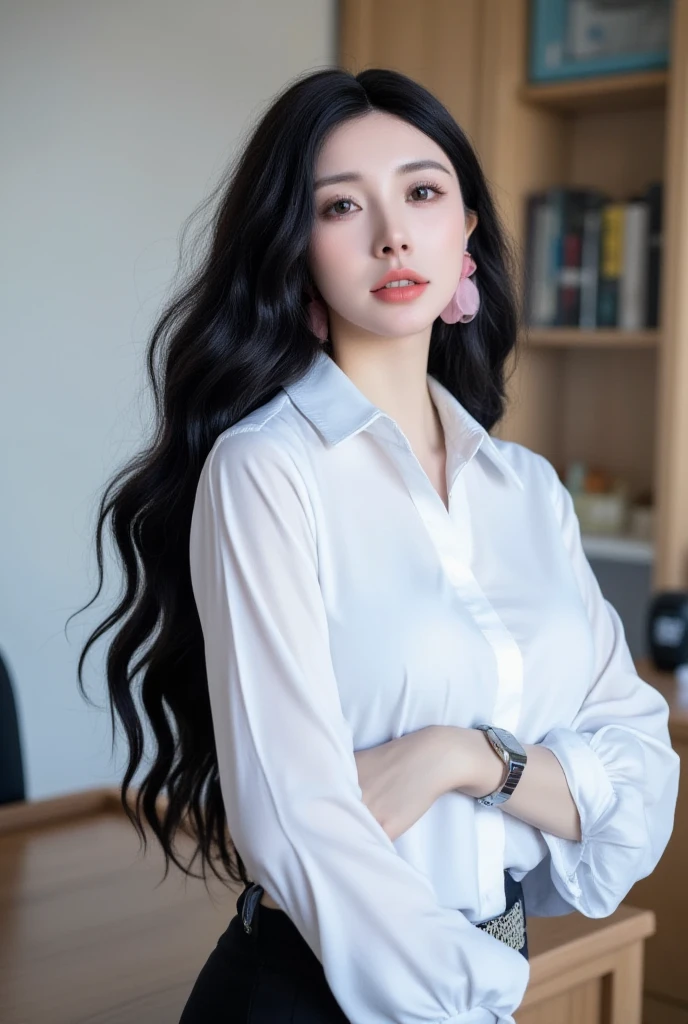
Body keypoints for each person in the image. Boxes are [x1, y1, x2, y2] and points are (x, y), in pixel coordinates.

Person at [73, 67, 680, 1024]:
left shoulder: (526, 491)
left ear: (466, 228)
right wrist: (475, 991)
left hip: (478, 982)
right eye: (341, 205)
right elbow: (296, 823)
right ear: (296, 246)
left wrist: (468, 756)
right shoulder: (265, 470)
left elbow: (640, 774)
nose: (392, 233)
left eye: (422, 191)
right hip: (319, 996)